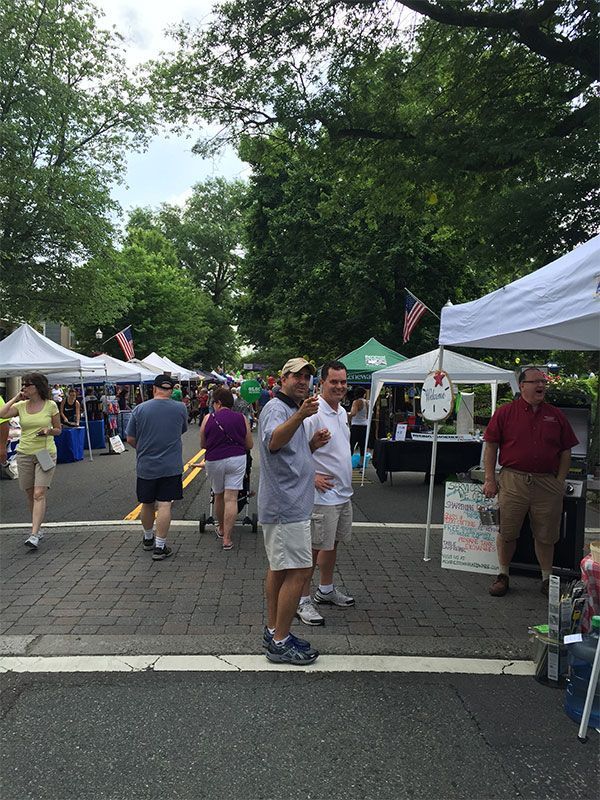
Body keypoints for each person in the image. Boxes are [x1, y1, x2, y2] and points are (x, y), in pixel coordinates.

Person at [258, 357, 330, 665]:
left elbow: (287, 454)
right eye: (296, 376)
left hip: (287, 504)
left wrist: (311, 445)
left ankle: (275, 630)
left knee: (280, 569)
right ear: (283, 379)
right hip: (286, 506)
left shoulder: (289, 410)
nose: (303, 381)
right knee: (300, 571)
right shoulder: (278, 408)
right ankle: (280, 641)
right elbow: (273, 442)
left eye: (307, 377)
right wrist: (300, 416)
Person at [483, 367, 578, 596]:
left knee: (547, 534)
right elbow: (491, 446)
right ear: (522, 385)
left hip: (547, 483)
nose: (541, 386)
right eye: (536, 381)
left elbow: (566, 451)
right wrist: (490, 479)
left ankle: (547, 579)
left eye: (544, 382)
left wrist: (559, 481)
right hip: (513, 480)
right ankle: (503, 575)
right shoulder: (505, 413)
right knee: (507, 531)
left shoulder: (555, 415)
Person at [297, 360, 355, 625]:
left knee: (332, 545)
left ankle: (326, 590)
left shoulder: (341, 412)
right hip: (322, 496)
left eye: (343, 382)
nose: (340, 386)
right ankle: (302, 600)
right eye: (334, 381)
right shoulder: (313, 411)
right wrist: (312, 476)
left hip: (343, 494)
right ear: (321, 382)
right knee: (313, 550)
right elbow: (294, 451)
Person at [125, 374, 188, 561]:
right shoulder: (180, 408)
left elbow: (130, 438)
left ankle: (147, 538)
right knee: (165, 504)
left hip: (146, 465)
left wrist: (142, 448)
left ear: (154, 389)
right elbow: (182, 430)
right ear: (171, 390)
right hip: (171, 465)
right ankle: (160, 547)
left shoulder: (139, 409)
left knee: (147, 502)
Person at [0, 374, 61, 550]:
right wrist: (16, 398)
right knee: (29, 493)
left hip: (45, 453)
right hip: (24, 453)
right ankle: (38, 527)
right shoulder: (20, 406)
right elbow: (2, 414)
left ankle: (34, 534)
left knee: (38, 493)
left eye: (28, 385)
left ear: (38, 387)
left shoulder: (51, 405)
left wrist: (48, 430)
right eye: (23, 384)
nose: (24, 387)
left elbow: (58, 430)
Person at [200, 387, 253, 550]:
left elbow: (203, 444)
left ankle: (221, 529)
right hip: (237, 459)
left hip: (214, 460)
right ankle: (227, 540)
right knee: (231, 497)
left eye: (213, 402)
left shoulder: (208, 418)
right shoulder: (242, 418)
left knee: (218, 495)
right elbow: (249, 444)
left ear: (218, 402)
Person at [349, 387, 369, 465]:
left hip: (356, 425)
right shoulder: (367, 402)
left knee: (352, 444)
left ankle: (349, 462)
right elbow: (368, 415)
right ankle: (362, 464)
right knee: (363, 445)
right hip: (365, 425)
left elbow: (353, 413)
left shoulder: (356, 402)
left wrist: (347, 414)